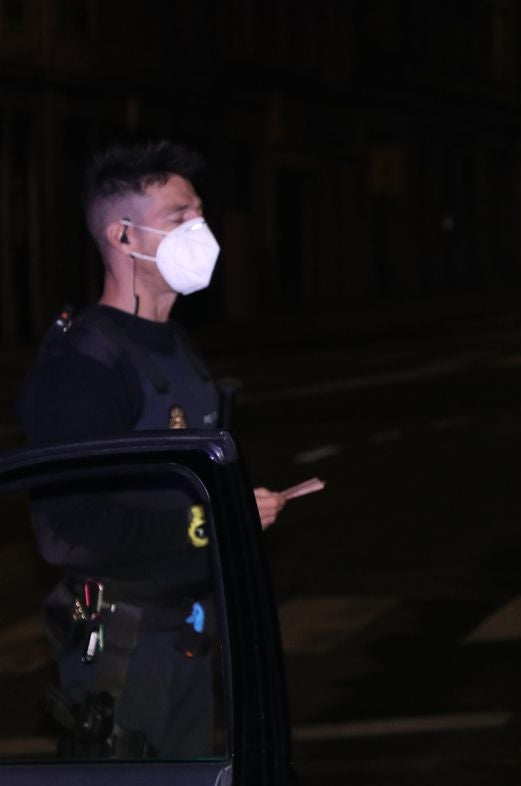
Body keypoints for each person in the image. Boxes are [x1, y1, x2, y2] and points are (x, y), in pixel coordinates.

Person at [16, 140, 287, 758]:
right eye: (180, 218)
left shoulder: (174, 346)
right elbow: (67, 530)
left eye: (200, 216)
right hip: (122, 642)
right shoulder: (84, 362)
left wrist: (234, 505)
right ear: (123, 234)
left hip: (187, 628)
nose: (201, 232)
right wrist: (209, 522)